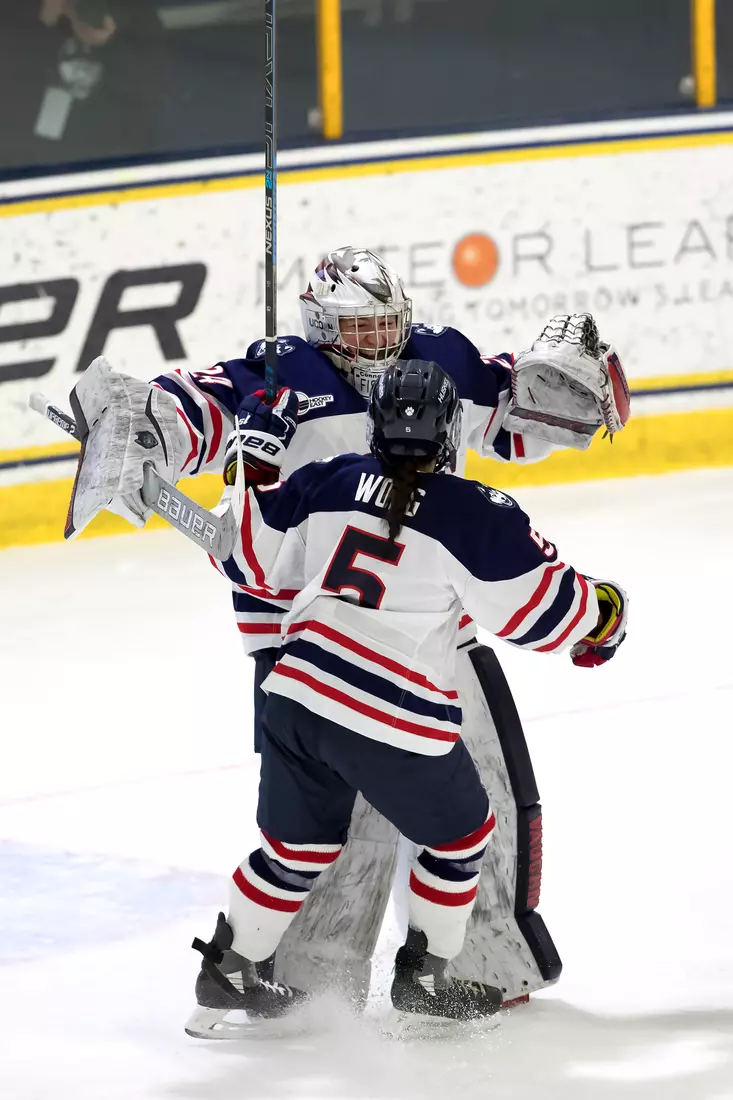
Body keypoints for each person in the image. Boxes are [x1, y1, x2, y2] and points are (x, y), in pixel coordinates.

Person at [64, 245, 630, 1004]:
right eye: (362, 331)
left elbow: (517, 419)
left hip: (425, 625)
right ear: (322, 326)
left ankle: (477, 963)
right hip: (301, 631)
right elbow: (186, 409)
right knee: (341, 829)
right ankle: (314, 983)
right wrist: (140, 420)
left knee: (484, 792)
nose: (381, 345)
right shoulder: (272, 376)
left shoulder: (437, 359)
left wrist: (565, 385)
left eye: (389, 326)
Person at [182, 359, 627, 1037]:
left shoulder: (324, 481)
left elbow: (243, 556)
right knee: (462, 837)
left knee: (296, 849)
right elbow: (543, 615)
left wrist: (254, 457)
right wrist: (603, 613)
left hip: (295, 699)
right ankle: (424, 978)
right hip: (391, 717)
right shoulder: (476, 513)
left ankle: (227, 967)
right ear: (449, 430)